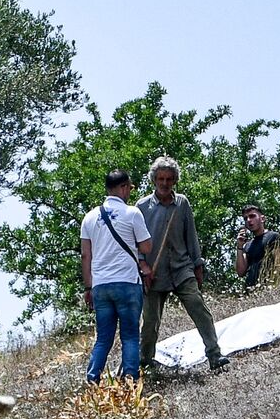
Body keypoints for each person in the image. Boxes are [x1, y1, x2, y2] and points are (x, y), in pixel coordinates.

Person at [137, 156, 229, 370]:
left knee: (199, 309)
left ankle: (214, 355)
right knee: (150, 321)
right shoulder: (142, 207)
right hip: (153, 273)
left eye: (169, 179)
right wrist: (143, 266)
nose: (165, 183)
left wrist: (198, 265)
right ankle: (145, 361)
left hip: (181, 268)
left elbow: (191, 236)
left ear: (175, 180)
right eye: (161, 178)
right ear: (154, 180)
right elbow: (135, 242)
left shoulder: (182, 203)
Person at [81, 170, 153, 383]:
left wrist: (88, 287)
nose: (129, 192)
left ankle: (92, 378)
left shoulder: (89, 217)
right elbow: (147, 246)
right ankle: (130, 378)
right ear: (122, 187)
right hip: (128, 282)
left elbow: (86, 255)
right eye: (129, 188)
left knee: (103, 338)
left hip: (101, 285)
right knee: (130, 335)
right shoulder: (132, 213)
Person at [235, 205, 280, 288]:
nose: (249, 220)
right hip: (250, 291)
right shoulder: (247, 245)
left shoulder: (274, 237)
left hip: (269, 288)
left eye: (252, 216)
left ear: (262, 219)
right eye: (245, 218)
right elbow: (240, 272)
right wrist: (239, 246)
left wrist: (276, 286)